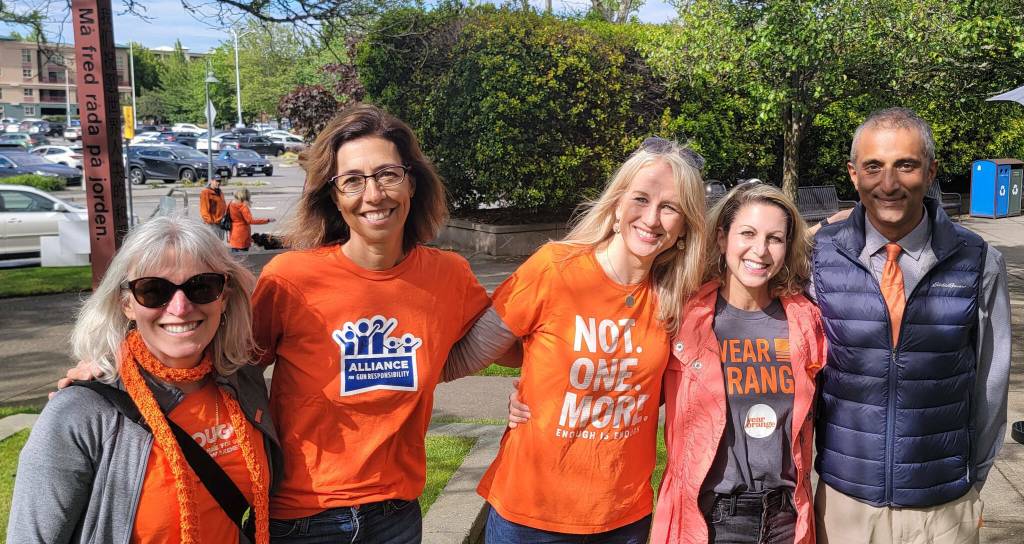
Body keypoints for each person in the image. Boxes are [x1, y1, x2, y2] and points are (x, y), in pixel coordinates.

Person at [251, 103, 496, 542]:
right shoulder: (289, 278)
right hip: (302, 517)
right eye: (353, 181)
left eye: (388, 174)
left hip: (395, 516)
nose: (374, 194)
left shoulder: (448, 276)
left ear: (412, 183)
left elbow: (511, 338)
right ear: (334, 196)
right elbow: (230, 368)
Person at [465, 137, 708, 542]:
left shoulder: (679, 301)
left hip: (622, 517)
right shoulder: (555, 268)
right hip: (530, 514)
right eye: (641, 199)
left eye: (670, 208)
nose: (651, 218)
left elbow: (752, 254)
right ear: (616, 205)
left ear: (684, 227)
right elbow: (472, 353)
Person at [8, 215, 282, 544]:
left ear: (224, 296)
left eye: (201, 287)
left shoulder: (243, 383)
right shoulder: (80, 415)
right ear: (126, 303)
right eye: (154, 291)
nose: (180, 308)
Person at [811, 108, 1010, 544]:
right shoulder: (817, 258)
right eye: (873, 167)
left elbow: (991, 384)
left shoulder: (978, 261)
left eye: (906, 164)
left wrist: (971, 482)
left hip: (942, 506)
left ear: (931, 170)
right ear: (853, 174)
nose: (888, 183)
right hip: (846, 502)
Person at [650, 183, 827, 544]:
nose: (759, 250)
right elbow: (631, 388)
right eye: (747, 233)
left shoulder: (805, 321)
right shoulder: (684, 318)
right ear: (722, 238)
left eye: (774, 238)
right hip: (714, 517)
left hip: (786, 517)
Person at [228, 188, 275, 253]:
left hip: (233, 233)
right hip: (242, 235)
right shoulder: (243, 206)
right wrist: (267, 220)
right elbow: (250, 221)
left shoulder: (231, 204)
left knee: (235, 257)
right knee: (242, 258)